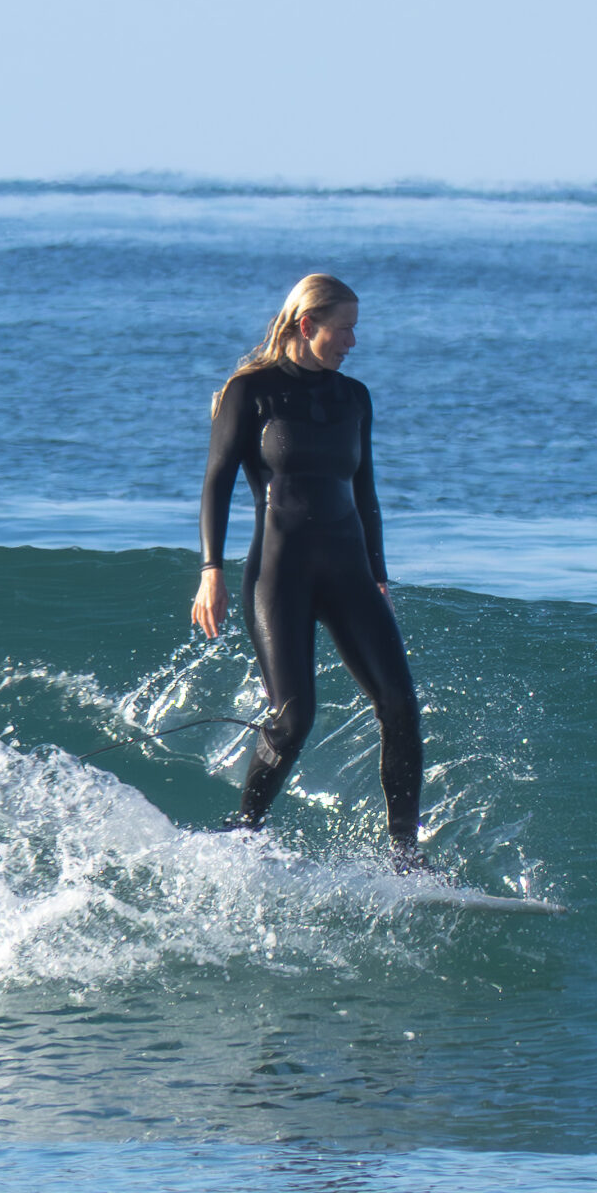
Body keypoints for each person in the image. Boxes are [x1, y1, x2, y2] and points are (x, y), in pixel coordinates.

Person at [193, 273, 427, 872]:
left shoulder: (355, 397)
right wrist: (211, 571)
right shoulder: (252, 393)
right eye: (345, 328)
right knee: (293, 719)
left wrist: (380, 578)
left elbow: (365, 492)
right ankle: (243, 831)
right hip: (281, 574)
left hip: (349, 574)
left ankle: (405, 856)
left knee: (399, 704)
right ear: (308, 326)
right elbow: (217, 482)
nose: (353, 340)